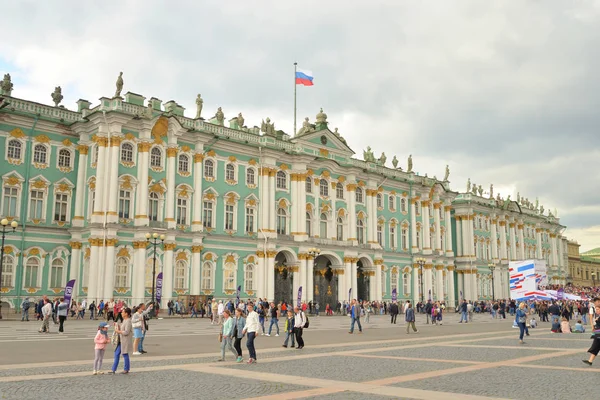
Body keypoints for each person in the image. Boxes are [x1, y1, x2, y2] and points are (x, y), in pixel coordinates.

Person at [110, 307, 132, 374]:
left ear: (126, 313)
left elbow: (126, 332)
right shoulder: (124, 320)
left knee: (125, 354)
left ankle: (126, 369)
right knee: (116, 353)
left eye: (123, 312)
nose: (121, 313)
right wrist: (117, 326)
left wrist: (118, 331)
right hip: (121, 340)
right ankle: (113, 369)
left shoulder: (128, 321)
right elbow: (122, 329)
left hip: (125, 340)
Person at [583, 297, 600, 366]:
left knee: (596, 345)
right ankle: (590, 361)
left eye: (598, 309)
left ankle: (590, 361)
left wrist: (596, 320)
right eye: (596, 309)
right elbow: (591, 317)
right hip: (598, 331)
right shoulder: (596, 313)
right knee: (596, 345)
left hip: (598, 332)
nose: (596, 310)